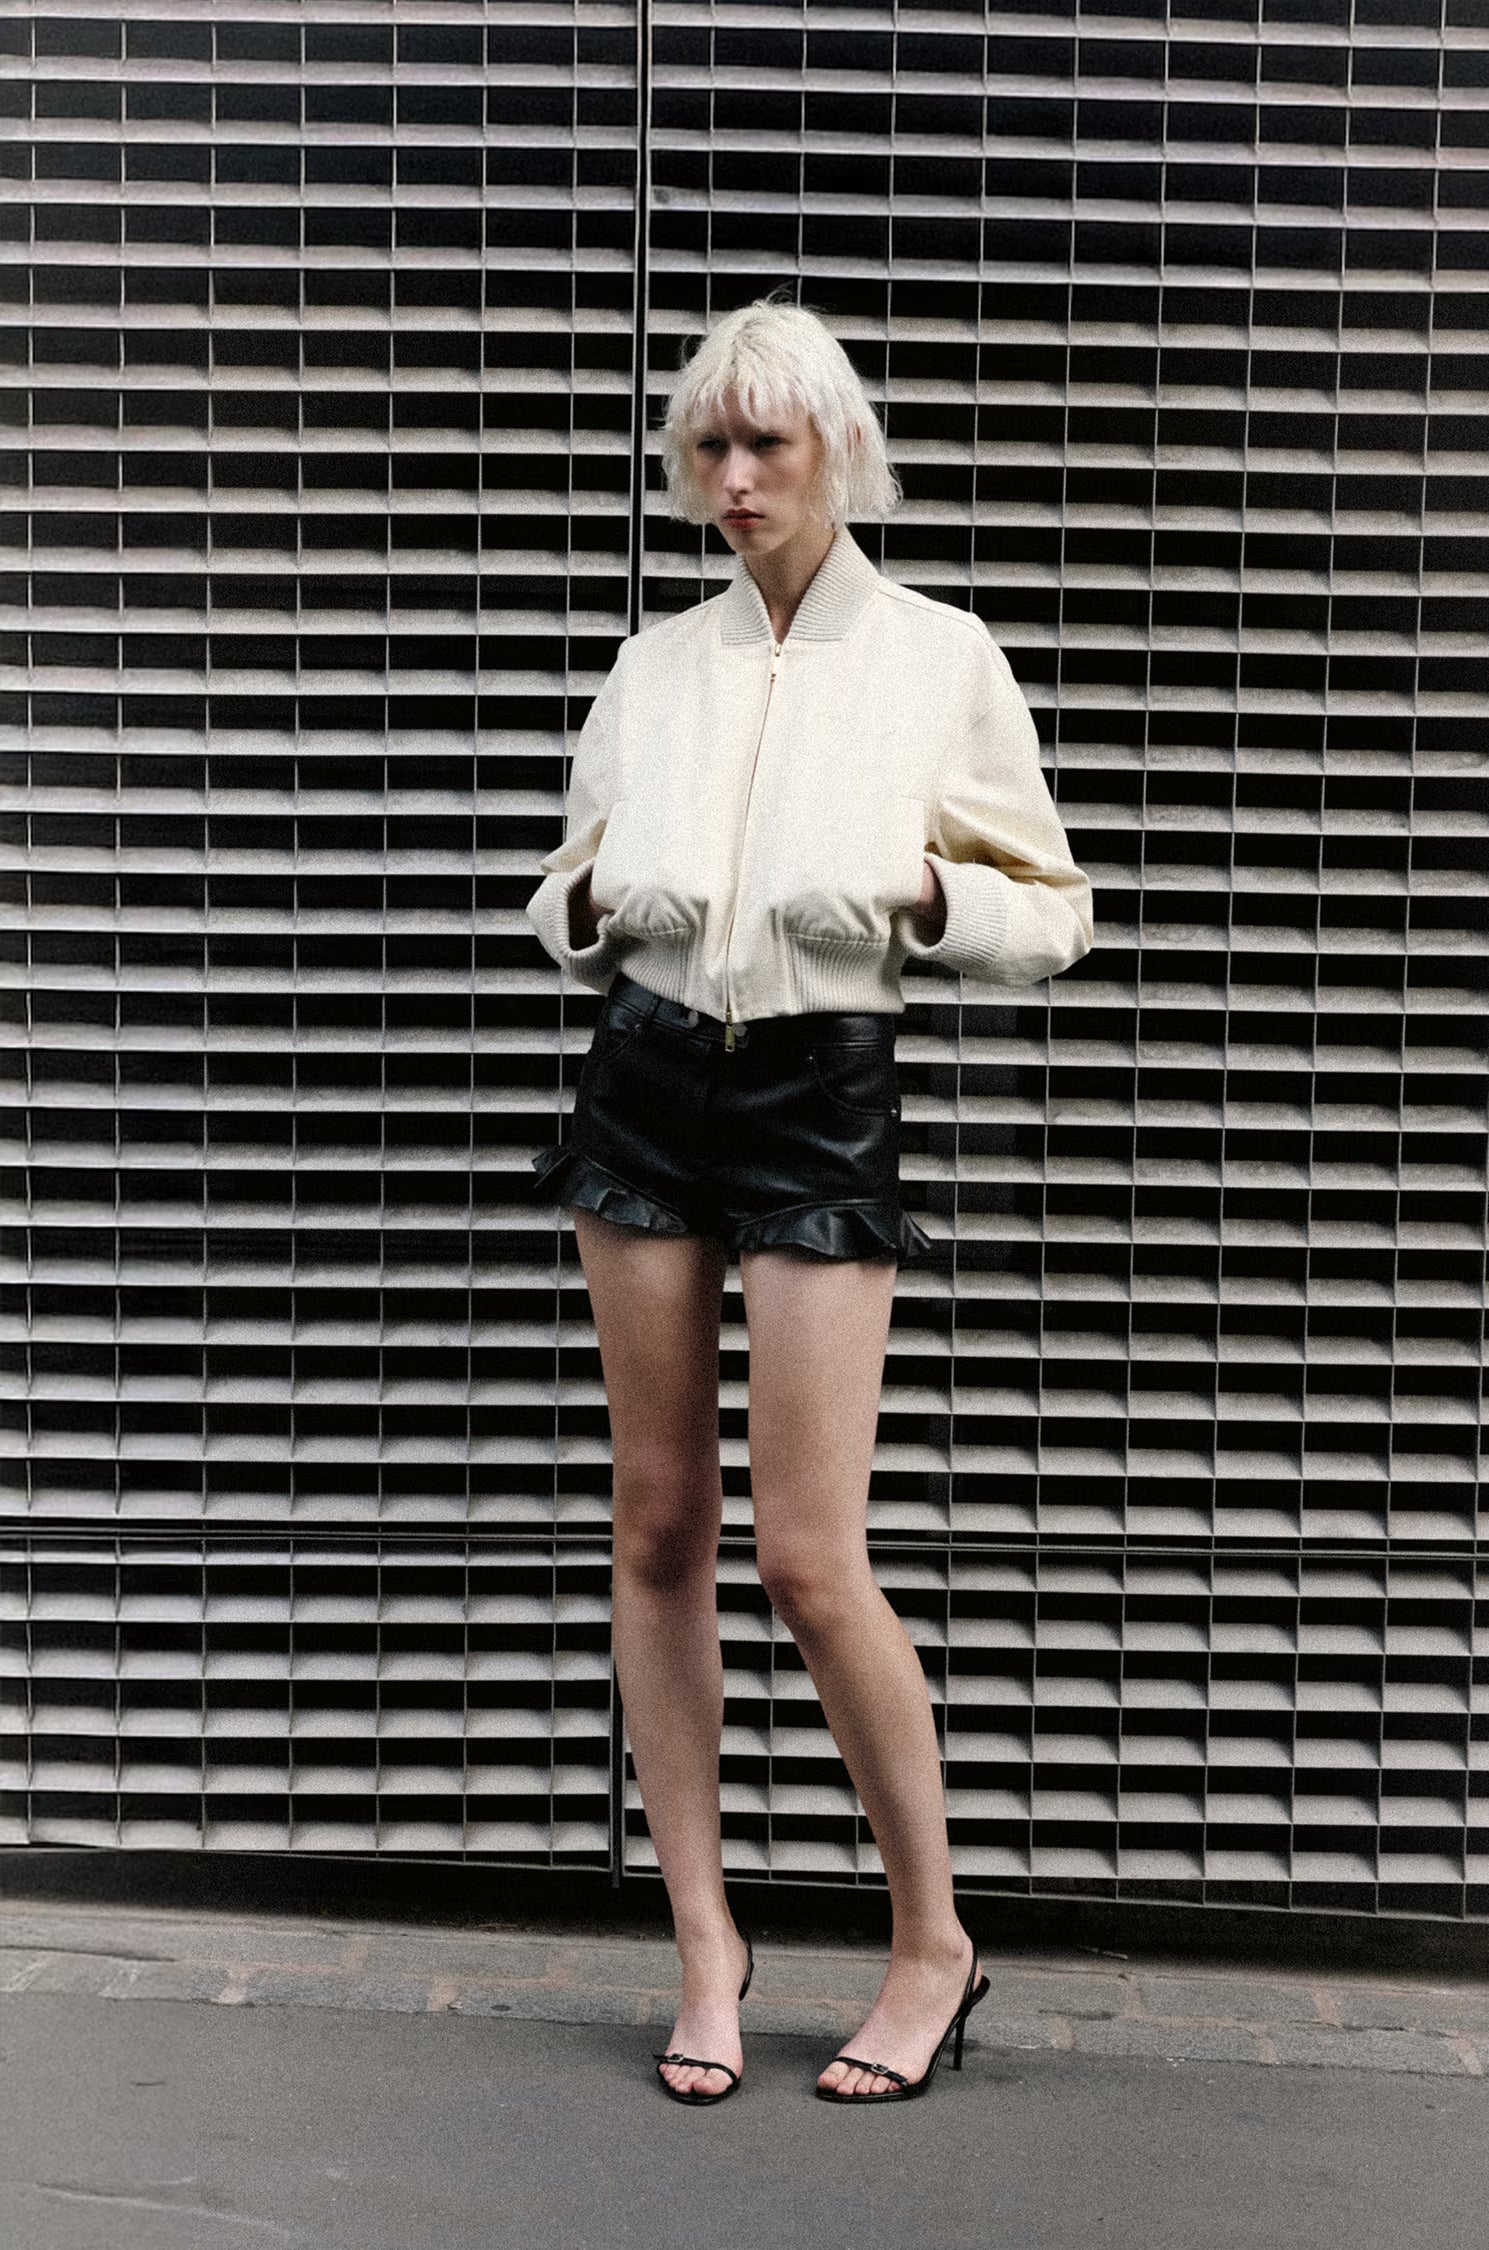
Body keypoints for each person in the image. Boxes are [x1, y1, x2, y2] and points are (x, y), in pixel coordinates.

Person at [526, 294, 1093, 2105]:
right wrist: (598, 905)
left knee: (805, 1552)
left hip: (818, 1085)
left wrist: (921, 896)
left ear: (837, 447)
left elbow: (1052, 908)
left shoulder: (938, 656)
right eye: (708, 444)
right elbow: (555, 889)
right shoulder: (657, 663)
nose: (735, 476)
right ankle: (707, 1942)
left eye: (766, 442)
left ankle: (932, 1940)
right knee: (656, 1525)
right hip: (645, 1071)